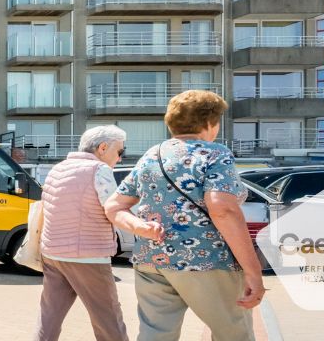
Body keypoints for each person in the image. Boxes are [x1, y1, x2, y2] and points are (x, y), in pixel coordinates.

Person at [105, 90, 265, 341]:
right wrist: (253, 271)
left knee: (155, 335)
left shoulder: (151, 155)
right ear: (210, 123)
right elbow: (222, 209)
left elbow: (114, 206)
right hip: (208, 260)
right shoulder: (215, 153)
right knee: (233, 334)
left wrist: (140, 227)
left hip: (152, 260)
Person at [34, 126, 159, 341]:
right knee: (108, 319)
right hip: (87, 256)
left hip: (52, 253)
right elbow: (113, 209)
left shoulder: (58, 169)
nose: (120, 159)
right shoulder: (98, 170)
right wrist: (142, 227)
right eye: (120, 152)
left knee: (49, 317)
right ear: (102, 147)